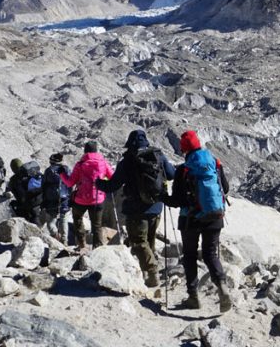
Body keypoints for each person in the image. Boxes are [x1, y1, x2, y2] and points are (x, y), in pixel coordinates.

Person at [96, 129, 176, 287]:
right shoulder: (158, 155)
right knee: (149, 242)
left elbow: (113, 185)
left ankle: (152, 272)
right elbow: (172, 174)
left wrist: (98, 183)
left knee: (138, 242)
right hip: (156, 206)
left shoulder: (127, 161)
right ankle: (147, 273)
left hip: (136, 209)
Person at [164, 130, 230, 311]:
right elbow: (225, 187)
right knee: (210, 254)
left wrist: (163, 197)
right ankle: (222, 286)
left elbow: (177, 201)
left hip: (190, 219)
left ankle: (193, 297)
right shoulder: (215, 163)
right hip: (214, 216)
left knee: (190, 256)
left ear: (184, 149)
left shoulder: (183, 170)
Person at [61, 141, 113, 251]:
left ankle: (82, 245)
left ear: (85, 151)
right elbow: (112, 177)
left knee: (78, 219)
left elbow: (70, 183)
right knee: (97, 225)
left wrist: (62, 174)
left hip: (81, 199)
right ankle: (97, 249)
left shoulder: (80, 165)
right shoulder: (103, 163)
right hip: (97, 199)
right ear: (96, 151)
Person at [40, 153, 71, 242]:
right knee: (64, 219)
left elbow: (43, 186)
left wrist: (43, 201)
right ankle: (64, 240)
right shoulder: (67, 169)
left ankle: (56, 236)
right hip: (65, 199)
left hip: (51, 200)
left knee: (50, 223)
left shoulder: (48, 171)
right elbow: (71, 184)